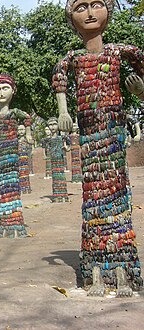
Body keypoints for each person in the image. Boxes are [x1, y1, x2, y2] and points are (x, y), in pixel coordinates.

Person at [52, 0, 144, 296]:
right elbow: (60, 81)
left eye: (97, 4)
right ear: (70, 18)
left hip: (114, 133)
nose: (90, 13)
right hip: (90, 137)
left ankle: (124, 265)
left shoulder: (122, 52)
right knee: (93, 193)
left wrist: (139, 90)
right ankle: (95, 266)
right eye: (81, 7)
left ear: (109, 11)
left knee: (117, 192)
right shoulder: (74, 57)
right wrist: (63, 111)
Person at [0, 74, 31, 238]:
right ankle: (4, 220)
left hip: (12, 152)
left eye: (4, 88)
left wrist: (28, 133)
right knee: (3, 184)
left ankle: (16, 220)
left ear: (13, 90)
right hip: (1, 153)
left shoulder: (14, 113)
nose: (0, 93)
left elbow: (27, 118)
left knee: (12, 183)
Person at [47, 117, 70, 202]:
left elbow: (68, 147)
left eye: (54, 124)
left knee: (61, 177)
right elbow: (46, 149)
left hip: (60, 159)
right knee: (55, 178)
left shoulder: (63, 137)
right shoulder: (48, 139)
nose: (52, 127)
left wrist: (66, 148)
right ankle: (57, 195)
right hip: (53, 160)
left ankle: (64, 195)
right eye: (50, 125)